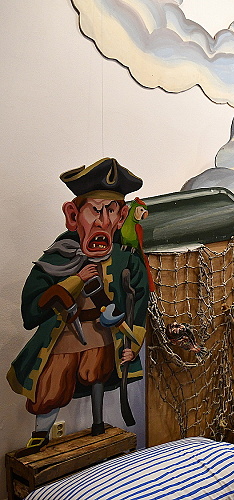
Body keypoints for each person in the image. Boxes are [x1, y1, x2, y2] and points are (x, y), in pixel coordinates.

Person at [7, 158, 149, 455]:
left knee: (96, 373)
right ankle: (40, 435)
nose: (102, 221)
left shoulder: (127, 259)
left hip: (103, 336)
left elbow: (139, 304)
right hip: (65, 336)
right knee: (51, 384)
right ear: (73, 215)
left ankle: (98, 425)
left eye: (111, 211)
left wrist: (133, 345)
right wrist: (75, 281)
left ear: (121, 216)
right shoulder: (57, 258)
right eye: (94, 210)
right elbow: (31, 310)